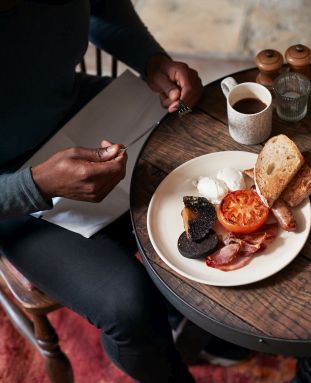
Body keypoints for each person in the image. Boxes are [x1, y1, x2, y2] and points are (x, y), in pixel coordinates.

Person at [0, 0, 204, 381]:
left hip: (74, 107)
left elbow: (104, 7)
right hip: (12, 186)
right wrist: (36, 185)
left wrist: (151, 60)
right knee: (129, 307)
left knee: (209, 164)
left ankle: (195, 317)